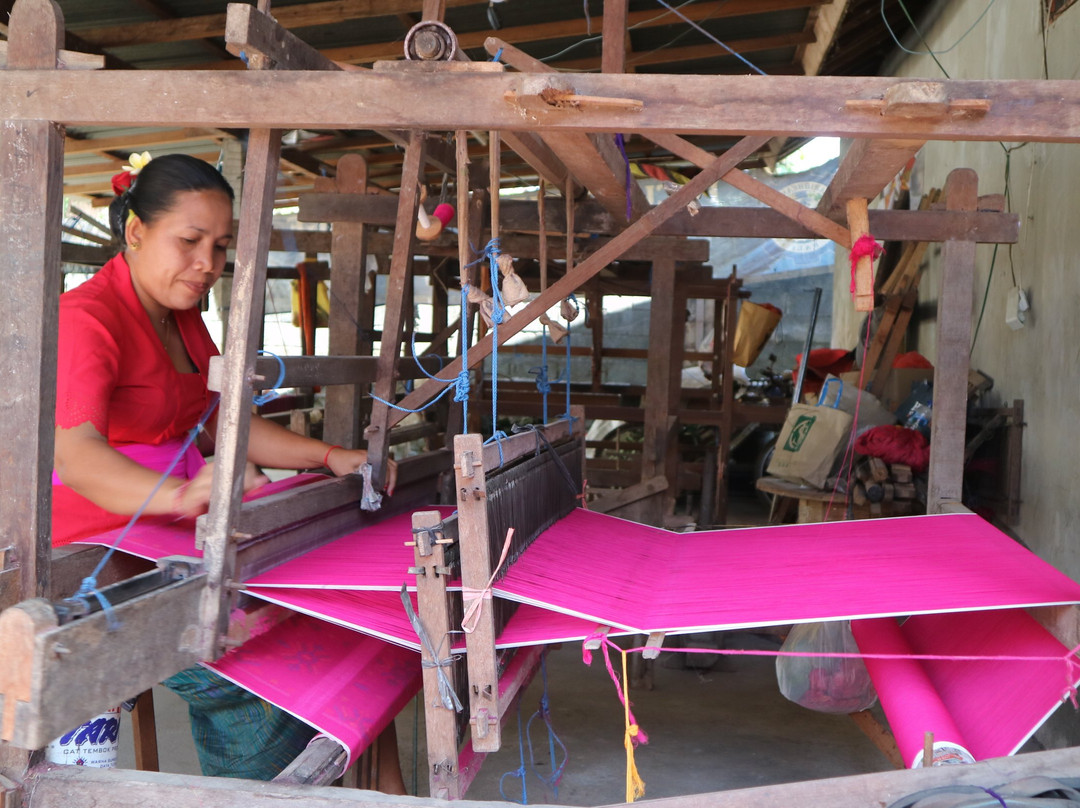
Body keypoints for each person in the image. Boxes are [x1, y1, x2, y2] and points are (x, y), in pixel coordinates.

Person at [52, 153, 403, 786]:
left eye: (219, 246)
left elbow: (223, 422)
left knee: (320, 626)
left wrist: (328, 456)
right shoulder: (85, 320)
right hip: (92, 558)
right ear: (135, 231)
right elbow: (76, 458)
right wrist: (184, 493)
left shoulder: (184, 320)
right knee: (250, 673)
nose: (208, 264)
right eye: (189, 242)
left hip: (164, 539)